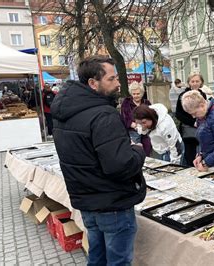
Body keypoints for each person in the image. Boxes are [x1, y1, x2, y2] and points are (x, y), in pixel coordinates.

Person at [51, 56, 146, 265]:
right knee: (117, 261)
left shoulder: (63, 112)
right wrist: (138, 152)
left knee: (97, 256)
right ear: (93, 83)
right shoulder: (103, 114)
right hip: (111, 202)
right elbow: (120, 165)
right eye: (111, 79)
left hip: (88, 200)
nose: (118, 83)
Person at [175, 73, 207, 166]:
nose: (195, 83)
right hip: (188, 130)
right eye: (192, 81)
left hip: (201, 128)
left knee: (202, 153)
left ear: (201, 82)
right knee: (190, 155)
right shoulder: (183, 96)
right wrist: (193, 122)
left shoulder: (202, 94)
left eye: (197, 81)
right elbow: (178, 114)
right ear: (189, 82)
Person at [120, 81, 152, 156]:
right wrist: (132, 124)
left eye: (138, 94)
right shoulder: (126, 102)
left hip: (146, 131)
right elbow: (123, 117)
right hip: (133, 131)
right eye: (134, 94)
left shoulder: (146, 102)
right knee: (136, 152)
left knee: (147, 151)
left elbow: (151, 115)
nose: (136, 96)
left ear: (142, 93)